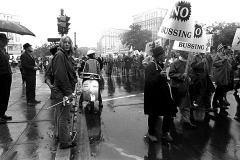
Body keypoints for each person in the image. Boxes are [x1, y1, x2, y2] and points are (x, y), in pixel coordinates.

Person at [144, 46, 177, 142]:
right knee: (153, 114)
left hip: (164, 93)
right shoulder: (150, 66)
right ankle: (151, 133)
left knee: (168, 112)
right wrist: (159, 76)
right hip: (154, 95)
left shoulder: (162, 65)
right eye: (163, 54)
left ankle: (165, 132)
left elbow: (164, 78)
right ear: (158, 56)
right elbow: (149, 81)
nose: (165, 56)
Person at [51, 36, 78, 149]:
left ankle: (63, 138)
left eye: (69, 42)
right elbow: (62, 76)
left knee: (63, 116)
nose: (67, 44)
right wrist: (68, 93)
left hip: (63, 90)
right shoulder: (60, 55)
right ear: (61, 44)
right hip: (62, 92)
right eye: (65, 42)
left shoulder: (64, 55)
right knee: (64, 117)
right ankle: (65, 142)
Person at [169, 51, 196, 129]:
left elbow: (190, 73)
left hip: (185, 87)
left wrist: (189, 77)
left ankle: (186, 121)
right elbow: (171, 74)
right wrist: (181, 76)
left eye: (189, 53)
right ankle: (170, 117)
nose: (188, 54)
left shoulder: (188, 63)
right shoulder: (175, 63)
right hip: (176, 87)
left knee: (186, 104)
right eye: (187, 53)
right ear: (182, 53)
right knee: (175, 103)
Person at [212, 45, 232, 115]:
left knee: (221, 90)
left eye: (230, 50)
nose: (229, 51)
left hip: (225, 76)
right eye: (228, 49)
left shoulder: (227, 56)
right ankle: (216, 105)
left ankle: (219, 104)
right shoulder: (218, 55)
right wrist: (223, 60)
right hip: (220, 76)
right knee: (219, 90)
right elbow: (214, 64)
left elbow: (228, 65)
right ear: (224, 49)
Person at [0, 33, 12, 123]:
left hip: (7, 74)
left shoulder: (4, 50)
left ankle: (2, 113)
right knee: (1, 95)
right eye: (5, 41)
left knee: (6, 95)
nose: (6, 42)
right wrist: (6, 57)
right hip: (1, 75)